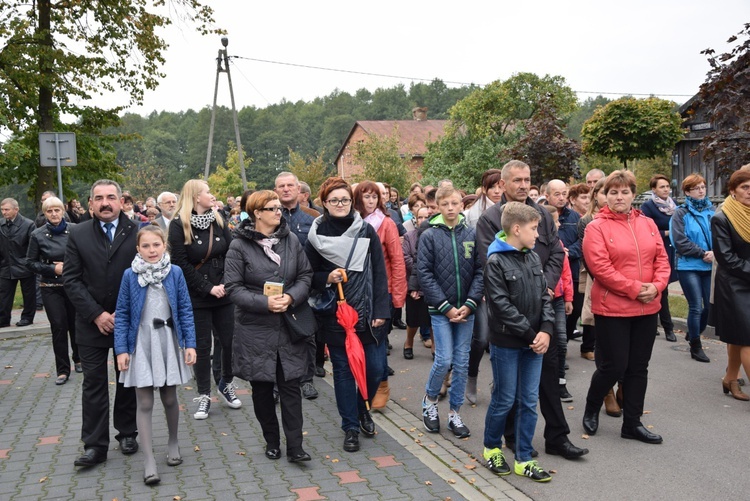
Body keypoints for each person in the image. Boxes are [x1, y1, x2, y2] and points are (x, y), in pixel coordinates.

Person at [477, 160, 587, 460]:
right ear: (503, 184)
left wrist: (548, 288)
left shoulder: (541, 213)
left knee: (548, 376)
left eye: (527, 179)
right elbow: (492, 266)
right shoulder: (490, 219)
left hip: (542, 308)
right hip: (511, 317)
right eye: (517, 180)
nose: (524, 185)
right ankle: (511, 438)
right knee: (510, 390)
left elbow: (555, 252)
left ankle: (557, 437)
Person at [581, 170, 670, 444]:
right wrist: (635, 289)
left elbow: (662, 260)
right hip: (613, 309)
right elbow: (601, 269)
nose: (619, 197)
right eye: (613, 192)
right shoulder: (595, 227)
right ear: (604, 196)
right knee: (613, 366)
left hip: (647, 307)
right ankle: (592, 406)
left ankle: (632, 423)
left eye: (625, 192)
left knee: (638, 368)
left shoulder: (648, 224)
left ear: (633, 194)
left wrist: (657, 286)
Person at [225, 190, 313, 463]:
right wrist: (265, 303)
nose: (279, 211)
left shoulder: (291, 240)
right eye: (272, 208)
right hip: (255, 330)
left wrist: (291, 296)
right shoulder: (238, 246)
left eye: (278, 207)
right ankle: (272, 441)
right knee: (262, 391)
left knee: (290, 388)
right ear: (256, 213)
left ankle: (295, 446)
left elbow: (305, 275)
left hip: (288, 326)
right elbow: (233, 288)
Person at [305, 177, 390, 453]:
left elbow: (379, 272)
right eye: (334, 200)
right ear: (325, 204)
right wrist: (325, 277)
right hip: (336, 316)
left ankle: (362, 407)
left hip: (368, 315)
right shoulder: (316, 237)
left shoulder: (365, 231)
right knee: (342, 372)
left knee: (375, 369)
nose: (340, 204)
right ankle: (350, 427)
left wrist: (381, 310)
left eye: (344, 199)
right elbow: (306, 274)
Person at [63, 179, 139, 467]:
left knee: (127, 380)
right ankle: (95, 445)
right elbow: (71, 279)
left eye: (111, 197)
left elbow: (144, 275)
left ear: (121, 201)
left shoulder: (137, 232)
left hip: (127, 321)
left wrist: (123, 313)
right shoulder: (78, 233)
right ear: (91, 203)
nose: (105, 202)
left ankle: (127, 433)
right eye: (99, 198)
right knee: (93, 384)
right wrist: (96, 314)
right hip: (90, 322)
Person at [114, 226, 197, 485]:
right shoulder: (129, 275)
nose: (151, 250)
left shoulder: (175, 272)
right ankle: (149, 459)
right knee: (145, 402)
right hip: (141, 342)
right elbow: (123, 313)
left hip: (168, 340)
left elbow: (185, 308)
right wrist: (121, 350)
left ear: (164, 246)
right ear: (138, 249)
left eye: (156, 245)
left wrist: (190, 343)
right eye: (146, 246)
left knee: (170, 397)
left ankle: (173, 442)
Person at [482, 202, 555, 482]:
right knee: (504, 399)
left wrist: (546, 329)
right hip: (508, 343)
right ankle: (491, 448)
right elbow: (501, 306)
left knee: (528, 400)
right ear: (516, 229)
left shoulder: (533, 258)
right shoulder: (495, 262)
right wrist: (531, 335)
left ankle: (524, 458)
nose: (537, 235)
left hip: (535, 342)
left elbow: (544, 297)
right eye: (533, 229)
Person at [169, 179, 241, 420]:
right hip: (197, 295)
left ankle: (226, 382)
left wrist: (226, 284)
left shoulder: (219, 218)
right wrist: (207, 287)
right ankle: (203, 395)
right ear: (195, 196)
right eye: (207, 192)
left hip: (224, 292)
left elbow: (232, 253)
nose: (212, 195)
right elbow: (180, 262)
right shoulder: (179, 225)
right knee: (201, 346)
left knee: (229, 341)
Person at [418, 186, 483, 439]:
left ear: (461, 205)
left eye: (455, 203)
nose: (451, 208)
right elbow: (425, 274)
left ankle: (455, 412)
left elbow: (479, 270)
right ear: (438, 206)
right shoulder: (429, 236)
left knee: (462, 361)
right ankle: (430, 399)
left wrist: (470, 303)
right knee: (444, 359)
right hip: (441, 309)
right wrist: (446, 307)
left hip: (467, 309)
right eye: (445, 204)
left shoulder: (471, 232)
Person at [353, 181, 407, 409]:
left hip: (381, 291)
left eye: (375, 197)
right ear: (358, 199)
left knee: (378, 341)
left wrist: (397, 295)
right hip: (356, 291)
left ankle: (381, 384)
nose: (372, 200)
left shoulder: (386, 223)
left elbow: (397, 260)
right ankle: (365, 387)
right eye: (366, 196)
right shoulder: (352, 223)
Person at [275, 172, 322, 400]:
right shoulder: (269, 218)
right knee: (275, 335)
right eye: (281, 186)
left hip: (305, 285)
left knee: (307, 334)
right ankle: (276, 383)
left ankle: (307, 379)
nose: (286, 189)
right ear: (276, 191)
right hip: (275, 285)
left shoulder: (312, 219)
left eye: (290, 185)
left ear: (298, 189)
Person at [26, 196, 80, 384]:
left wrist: (69, 265)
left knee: (75, 324)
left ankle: (79, 358)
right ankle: (62, 370)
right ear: (45, 213)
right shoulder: (37, 234)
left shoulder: (75, 231)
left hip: (73, 285)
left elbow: (85, 255)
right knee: (58, 326)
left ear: (63, 210)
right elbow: (30, 262)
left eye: (57, 209)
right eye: (49, 211)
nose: (54, 214)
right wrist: (52, 269)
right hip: (50, 287)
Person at [464, 169, 504, 405]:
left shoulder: (511, 210)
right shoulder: (472, 215)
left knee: (504, 338)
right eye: (492, 187)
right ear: (484, 188)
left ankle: (500, 382)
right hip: (480, 283)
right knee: (481, 337)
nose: (497, 191)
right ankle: (471, 375)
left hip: (506, 285)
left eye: (500, 186)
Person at [712, 169, 750, 401]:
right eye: (745, 187)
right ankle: (731, 379)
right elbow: (727, 258)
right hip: (733, 285)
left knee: (739, 336)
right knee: (747, 338)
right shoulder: (721, 217)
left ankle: (731, 379)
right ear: (733, 190)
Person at [669, 174, 714, 362]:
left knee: (709, 308)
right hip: (689, 265)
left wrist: (715, 253)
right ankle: (695, 345)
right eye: (696, 188)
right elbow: (679, 241)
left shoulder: (712, 211)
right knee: (696, 306)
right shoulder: (680, 213)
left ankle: (693, 332)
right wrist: (703, 253)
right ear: (687, 191)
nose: (701, 190)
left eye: (703, 186)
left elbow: (722, 236)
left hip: (709, 264)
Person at [640, 175, 679, 342]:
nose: (665, 189)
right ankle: (667, 326)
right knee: (662, 290)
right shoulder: (648, 207)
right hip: (656, 251)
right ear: (654, 189)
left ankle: (655, 322)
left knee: (664, 288)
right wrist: (666, 233)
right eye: (661, 187)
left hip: (673, 251)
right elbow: (646, 229)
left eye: (667, 186)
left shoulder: (674, 205)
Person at [544, 205, 575, 402]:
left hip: (558, 298)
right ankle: (544, 382)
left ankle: (560, 382)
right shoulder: (537, 244)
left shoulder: (559, 243)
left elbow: (566, 273)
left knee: (562, 341)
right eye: (554, 221)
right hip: (542, 299)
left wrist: (569, 298)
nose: (557, 224)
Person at [402, 206, 434, 359]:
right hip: (414, 282)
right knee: (413, 319)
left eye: (426, 217)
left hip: (432, 283)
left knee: (434, 318)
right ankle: (409, 342)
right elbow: (407, 257)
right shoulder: (410, 236)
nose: (423, 220)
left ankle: (435, 347)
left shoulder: (436, 234)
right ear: (414, 219)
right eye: (420, 217)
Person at [0, 198, 37, 327]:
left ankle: (27, 317)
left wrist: (29, 262)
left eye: (6, 209)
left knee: (28, 294)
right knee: (4, 294)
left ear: (16, 209)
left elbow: (33, 247)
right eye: (2, 210)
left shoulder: (28, 224)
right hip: (6, 265)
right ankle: (3, 319)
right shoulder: (1, 224)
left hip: (24, 265)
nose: (4, 212)